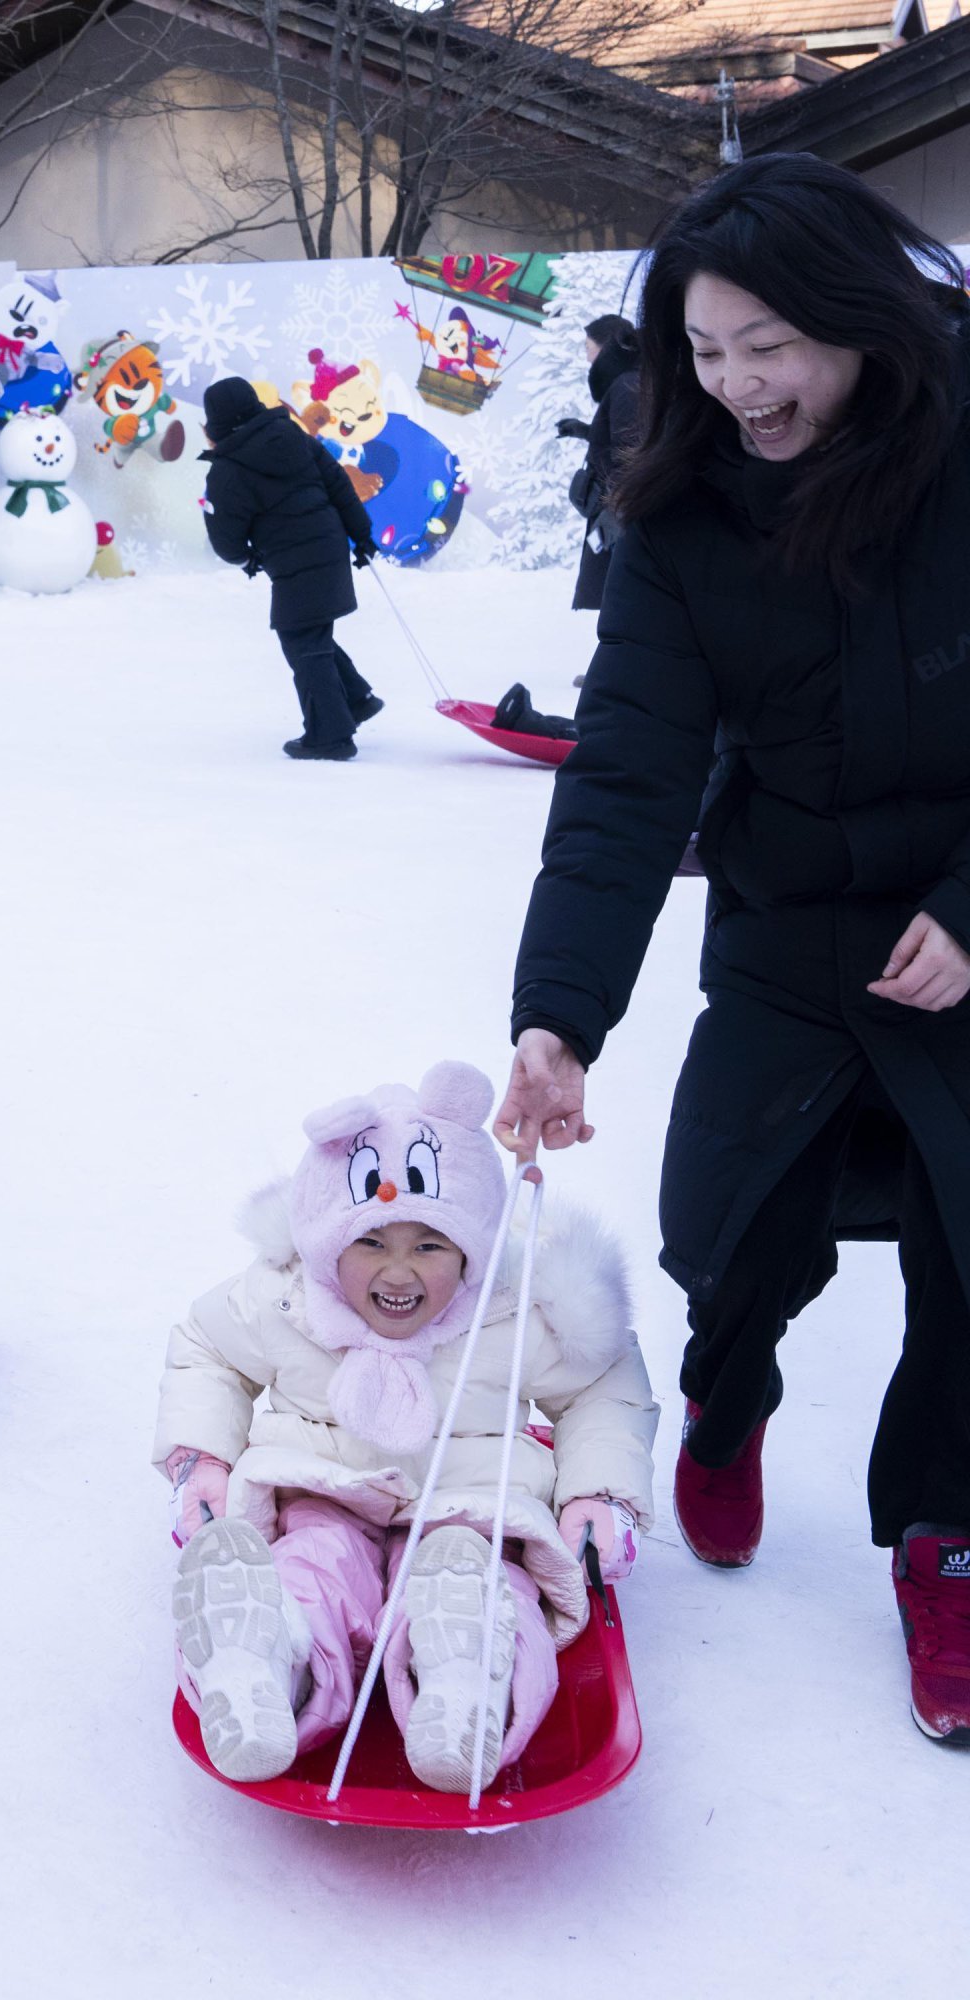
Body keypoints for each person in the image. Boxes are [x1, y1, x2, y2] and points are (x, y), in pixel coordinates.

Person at [496, 153, 970, 1746]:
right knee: (726, 1221)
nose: (736, 384)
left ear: (859, 321)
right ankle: (727, 1392)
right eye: (706, 351)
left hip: (969, 924)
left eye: (769, 345)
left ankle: (946, 1537)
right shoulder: (687, 518)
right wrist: (559, 1018)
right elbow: (630, 771)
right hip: (789, 928)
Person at [155, 1060, 655, 1790]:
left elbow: (604, 1384)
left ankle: (467, 1684)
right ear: (327, 1243)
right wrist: (204, 1455)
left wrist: (597, 1493)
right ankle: (269, 1657)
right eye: (371, 1244)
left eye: (429, 1247)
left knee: (480, 1582)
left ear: (471, 1250)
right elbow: (205, 1350)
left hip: (473, 1509)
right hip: (323, 1489)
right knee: (314, 1566)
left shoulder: (512, 1313)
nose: (399, 1273)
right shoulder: (286, 1298)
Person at [200, 375, 382, 762]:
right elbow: (338, 484)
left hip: (292, 559)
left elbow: (225, 536)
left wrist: (246, 557)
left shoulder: (227, 469)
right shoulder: (294, 437)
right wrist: (361, 535)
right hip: (328, 545)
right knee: (309, 634)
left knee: (301, 640)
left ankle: (330, 735)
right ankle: (354, 699)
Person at [556, 314, 642, 616]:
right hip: (618, 510)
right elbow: (620, 437)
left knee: (621, 598)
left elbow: (631, 452)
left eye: (589, 347)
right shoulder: (629, 381)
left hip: (620, 514)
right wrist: (584, 431)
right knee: (616, 596)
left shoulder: (628, 384)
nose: (587, 356)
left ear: (606, 348)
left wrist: (616, 511)